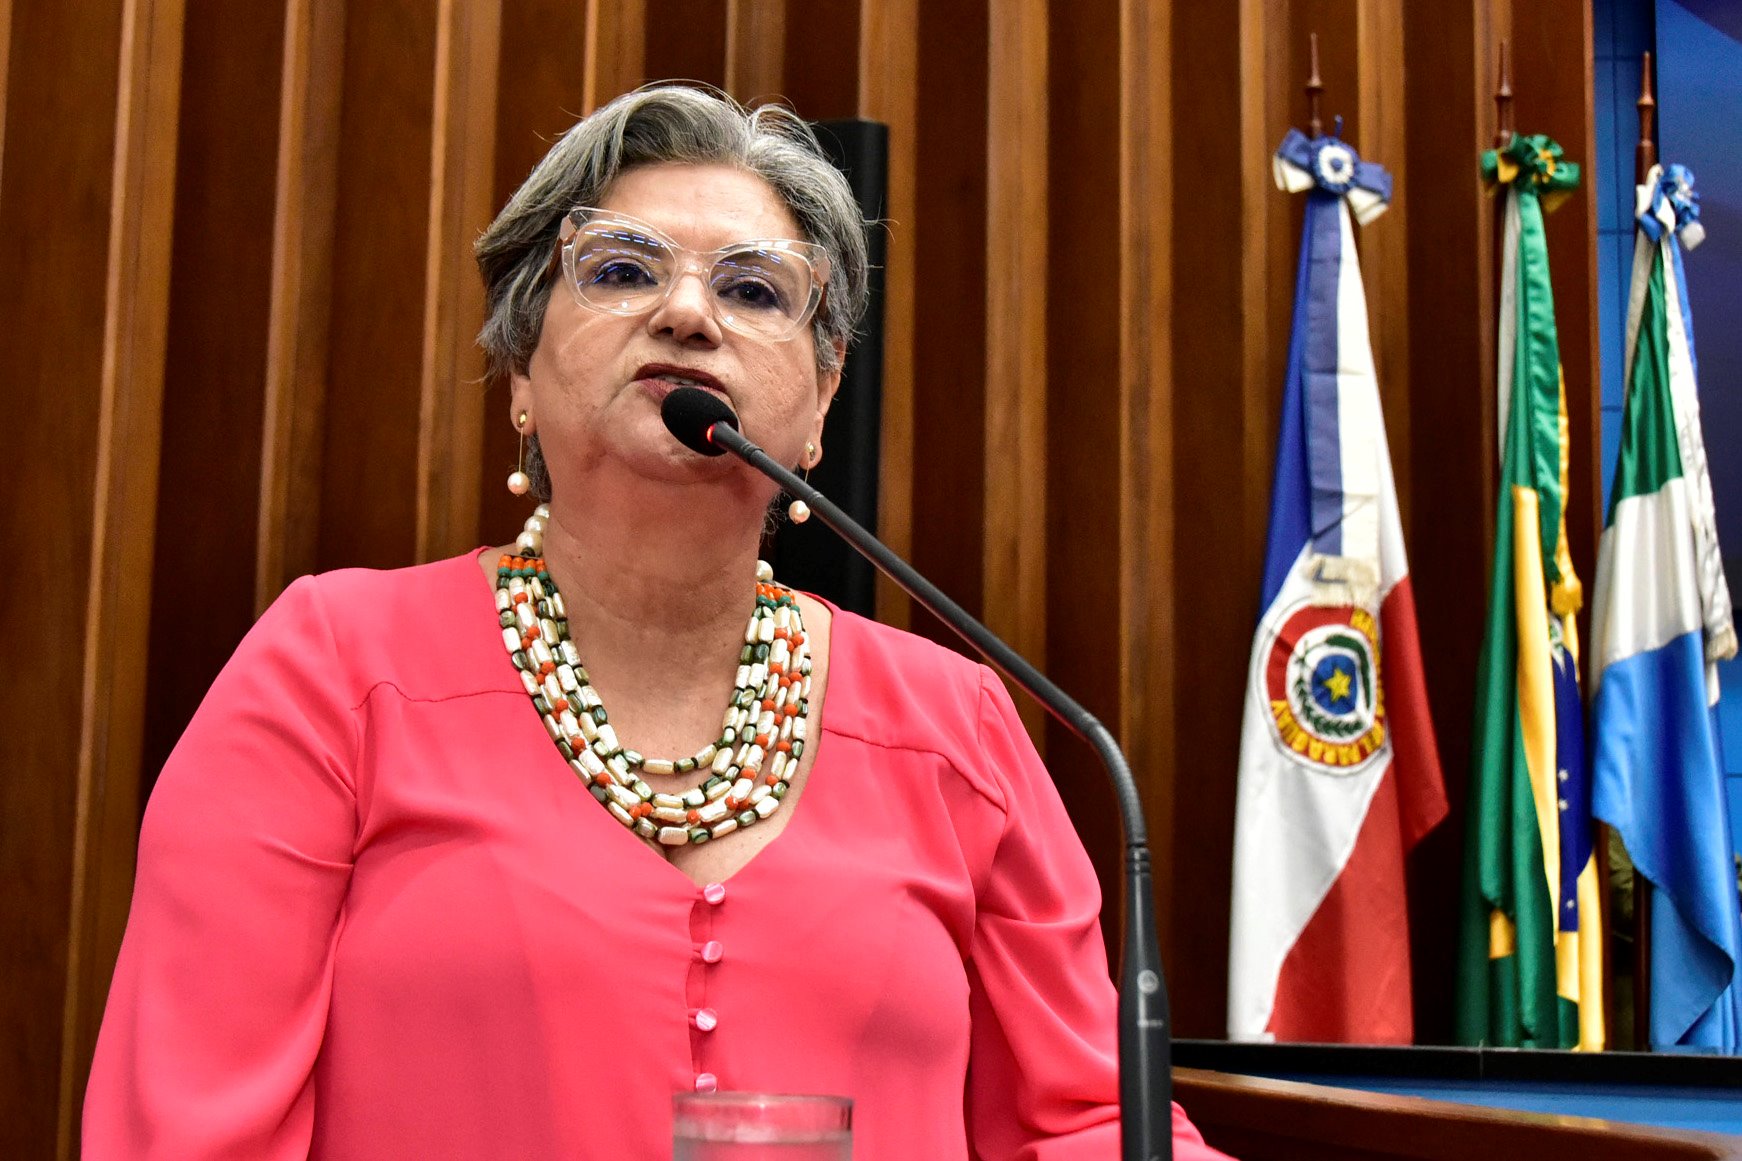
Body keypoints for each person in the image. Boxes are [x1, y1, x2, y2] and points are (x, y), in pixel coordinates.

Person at [83, 84, 1231, 1160]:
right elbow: (188, 1127)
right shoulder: (332, 669)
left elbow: (1088, 1123)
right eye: (624, 270)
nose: (686, 312)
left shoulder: (956, 727)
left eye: (753, 291)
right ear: (520, 374)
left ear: (821, 402)